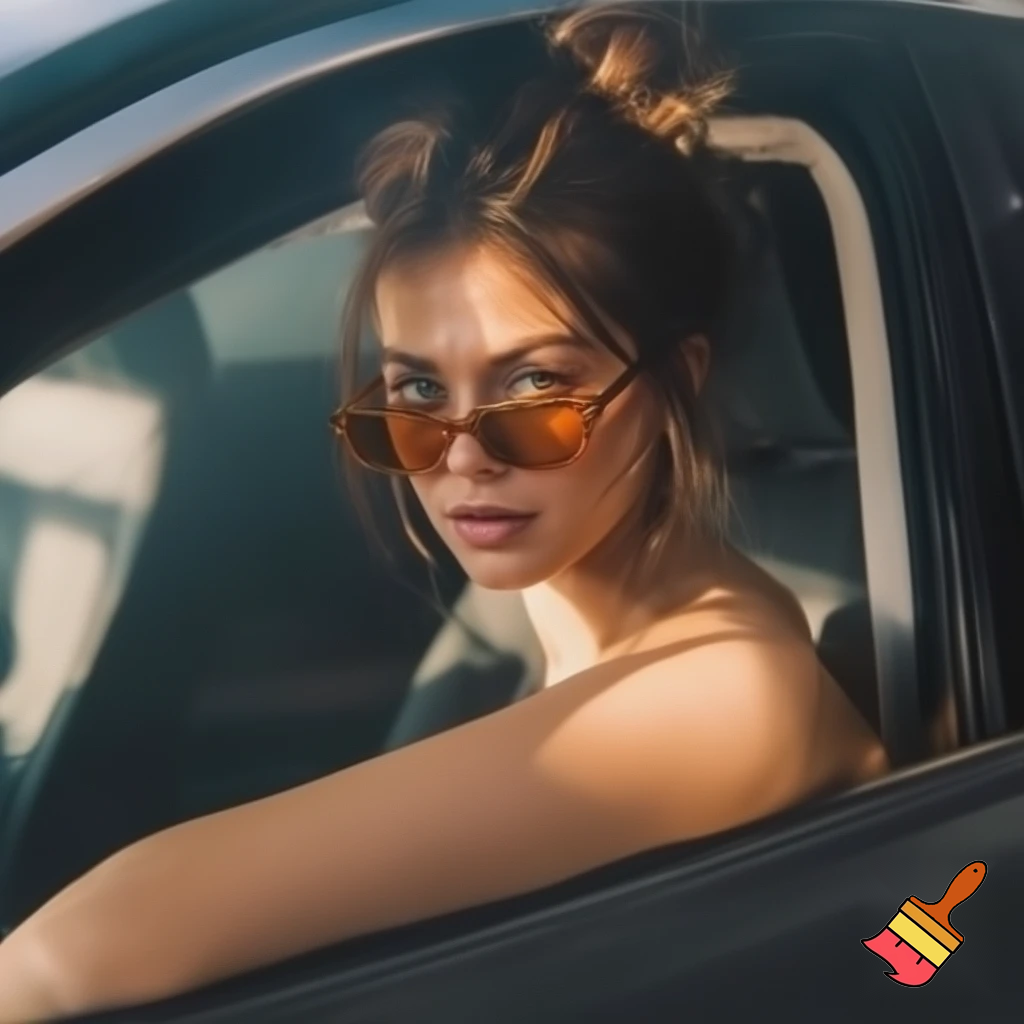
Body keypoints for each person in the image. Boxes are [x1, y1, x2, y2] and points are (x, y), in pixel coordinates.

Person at [0, 6, 888, 1019]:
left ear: (676, 381)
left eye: (533, 386)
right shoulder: (581, 630)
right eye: (419, 390)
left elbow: (102, 940)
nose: (463, 455)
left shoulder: (727, 691)